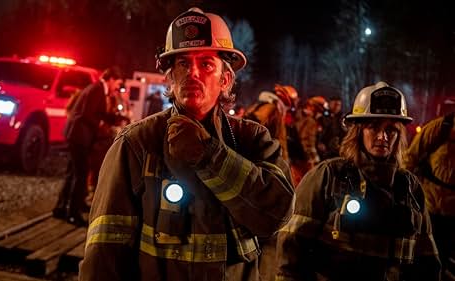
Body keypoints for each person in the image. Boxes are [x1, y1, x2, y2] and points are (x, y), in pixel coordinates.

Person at [79, 7, 294, 281]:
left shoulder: (253, 140)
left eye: (206, 64)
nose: (193, 73)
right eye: (182, 64)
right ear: (170, 77)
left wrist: (208, 155)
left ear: (225, 80)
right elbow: (103, 258)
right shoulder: (135, 144)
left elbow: (277, 215)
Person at [276, 81, 441, 281]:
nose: (383, 136)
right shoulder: (328, 176)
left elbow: (427, 263)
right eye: (373, 127)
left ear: (399, 136)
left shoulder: (409, 188)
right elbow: (291, 253)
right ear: (358, 131)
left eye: (391, 129)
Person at [53, 66, 123, 226]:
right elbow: (87, 114)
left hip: (76, 135)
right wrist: (104, 123)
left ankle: (61, 207)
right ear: (111, 79)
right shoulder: (97, 90)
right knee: (80, 174)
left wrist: (111, 118)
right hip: (80, 137)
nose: (117, 87)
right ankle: (73, 213)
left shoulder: (96, 88)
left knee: (72, 173)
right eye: (117, 83)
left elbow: (95, 112)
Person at [405, 112, 455, 281]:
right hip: (430, 206)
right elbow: (410, 157)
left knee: (443, 257)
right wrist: (402, 190)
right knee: (423, 257)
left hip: (452, 214)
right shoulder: (442, 127)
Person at [317, 95, 347, 160]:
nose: (336, 107)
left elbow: (347, 134)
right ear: (330, 104)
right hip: (325, 152)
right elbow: (318, 133)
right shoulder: (322, 117)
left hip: (339, 151)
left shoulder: (343, 119)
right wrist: (319, 143)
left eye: (338, 105)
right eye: (334, 104)